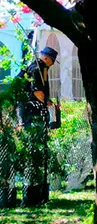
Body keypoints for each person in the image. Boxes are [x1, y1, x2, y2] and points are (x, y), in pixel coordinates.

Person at [14, 46, 58, 207]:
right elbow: (37, 91)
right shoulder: (38, 69)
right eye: (52, 60)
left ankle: (35, 188)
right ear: (47, 58)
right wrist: (48, 104)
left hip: (27, 111)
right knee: (34, 146)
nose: (52, 64)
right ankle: (31, 192)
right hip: (30, 113)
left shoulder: (36, 67)